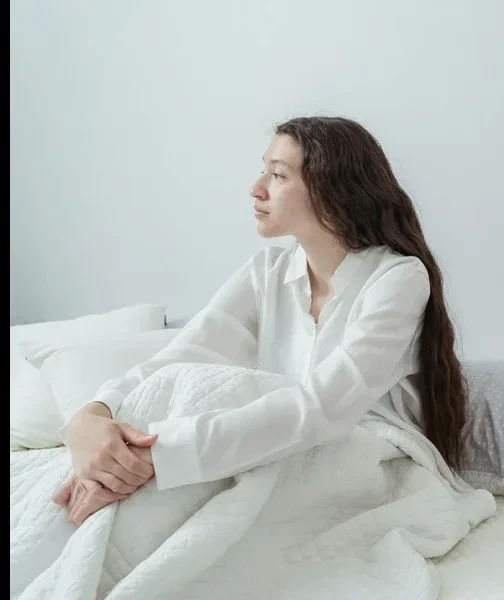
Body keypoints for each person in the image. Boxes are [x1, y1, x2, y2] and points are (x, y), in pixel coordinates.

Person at [52, 116, 468, 525]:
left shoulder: (398, 278)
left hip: (369, 456)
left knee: (190, 450)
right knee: (180, 391)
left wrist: (154, 457)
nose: (256, 188)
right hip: (274, 446)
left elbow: (325, 408)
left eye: (278, 175)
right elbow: (181, 358)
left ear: (330, 190)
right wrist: (93, 416)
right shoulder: (267, 271)